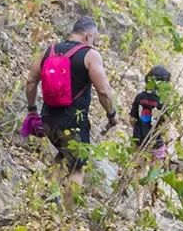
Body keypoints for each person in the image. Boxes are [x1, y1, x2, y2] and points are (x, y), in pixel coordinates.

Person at [25, 16, 119, 209]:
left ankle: (51, 202)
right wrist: (112, 114)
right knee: (77, 168)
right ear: (88, 35)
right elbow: (104, 91)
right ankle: (67, 215)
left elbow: (30, 81)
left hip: (48, 118)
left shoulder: (49, 50)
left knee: (61, 154)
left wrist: (32, 109)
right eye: (94, 38)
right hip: (73, 121)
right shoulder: (90, 55)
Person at [130, 66, 171, 161]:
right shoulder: (164, 102)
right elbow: (166, 124)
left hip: (139, 141)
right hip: (156, 142)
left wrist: (138, 128)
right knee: (154, 171)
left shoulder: (140, 97)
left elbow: (132, 119)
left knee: (137, 167)